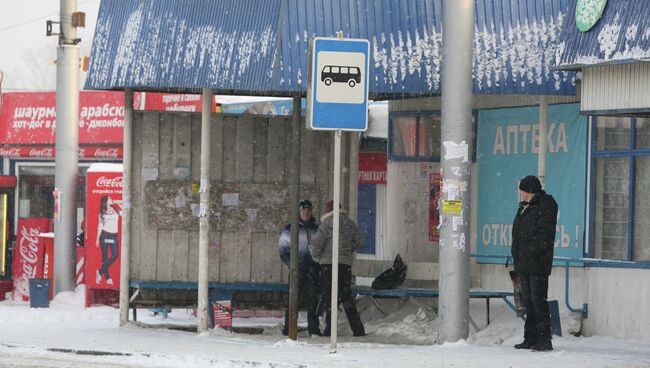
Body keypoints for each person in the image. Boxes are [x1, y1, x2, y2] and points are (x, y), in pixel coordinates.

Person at [511, 175, 558, 351]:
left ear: (529, 191)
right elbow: (518, 233)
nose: (520, 193)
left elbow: (544, 236)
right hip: (523, 261)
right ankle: (530, 338)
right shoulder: (525, 208)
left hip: (537, 263)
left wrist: (531, 252)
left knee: (538, 300)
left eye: (522, 190)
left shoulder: (545, 206)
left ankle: (544, 339)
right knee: (527, 301)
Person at [309, 200, 365, 337]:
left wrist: (318, 258)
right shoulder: (349, 223)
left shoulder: (326, 224)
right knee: (346, 298)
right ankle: (358, 329)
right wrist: (347, 252)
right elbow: (359, 241)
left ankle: (330, 329)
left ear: (328, 210)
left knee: (329, 298)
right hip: (345, 266)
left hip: (328, 265)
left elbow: (315, 245)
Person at [278, 199, 321, 336]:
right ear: (299, 212)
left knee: (313, 300)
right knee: (293, 300)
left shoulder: (317, 229)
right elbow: (282, 249)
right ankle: (289, 329)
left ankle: (313, 330)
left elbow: (323, 248)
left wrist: (318, 264)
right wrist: (292, 265)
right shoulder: (291, 229)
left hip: (313, 270)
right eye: (304, 210)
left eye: (308, 210)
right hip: (297, 271)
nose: (306, 212)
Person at [95, 195, 121, 285]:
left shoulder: (116, 210)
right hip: (105, 235)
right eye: (110, 198)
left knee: (115, 255)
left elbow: (125, 213)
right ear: (106, 201)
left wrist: (121, 203)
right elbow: (100, 226)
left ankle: (100, 271)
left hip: (114, 236)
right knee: (104, 257)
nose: (111, 199)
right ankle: (107, 277)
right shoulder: (102, 213)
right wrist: (97, 239)